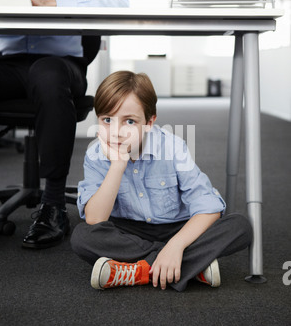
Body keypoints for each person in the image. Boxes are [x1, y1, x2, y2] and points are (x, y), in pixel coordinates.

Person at [0, 0, 129, 249]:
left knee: (48, 75)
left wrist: (51, 2)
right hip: (6, 62)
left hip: (60, 64)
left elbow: (115, 3)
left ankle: (52, 206)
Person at [71, 71, 252, 292]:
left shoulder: (173, 147)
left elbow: (209, 206)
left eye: (129, 121)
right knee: (82, 237)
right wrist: (118, 165)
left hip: (176, 228)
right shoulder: (96, 154)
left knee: (240, 226)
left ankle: (136, 270)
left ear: (149, 122)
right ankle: (189, 266)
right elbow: (95, 218)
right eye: (107, 120)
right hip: (130, 231)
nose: (116, 132)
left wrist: (175, 245)